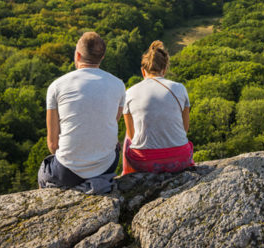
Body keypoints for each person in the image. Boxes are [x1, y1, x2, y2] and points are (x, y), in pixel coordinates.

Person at [38, 31, 126, 192]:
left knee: (43, 172)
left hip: (68, 171)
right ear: (102, 58)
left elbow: (52, 145)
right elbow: (110, 124)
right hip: (106, 166)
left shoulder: (57, 86)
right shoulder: (118, 85)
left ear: (77, 55)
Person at [122, 40, 193, 175]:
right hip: (180, 159)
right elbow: (185, 128)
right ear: (165, 69)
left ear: (143, 71)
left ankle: (128, 174)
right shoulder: (180, 88)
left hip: (143, 163)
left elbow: (132, 136)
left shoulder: (129, 92)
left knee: (127, 136)